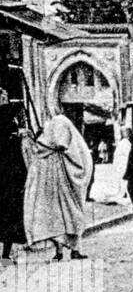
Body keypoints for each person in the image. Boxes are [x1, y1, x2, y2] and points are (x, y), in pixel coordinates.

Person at [21, 101, 93, 261]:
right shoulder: (59, 128)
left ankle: (65, 251)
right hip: (61, 186)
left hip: (61, 185)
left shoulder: (45, 148)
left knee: (62, 216)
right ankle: (68, 251)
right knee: (65, 216)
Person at [0, 91, 28, 262]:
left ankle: (5, 254)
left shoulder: (8, 118)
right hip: (6, 176)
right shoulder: (5, 116)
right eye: (3, 96)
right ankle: (5, 255)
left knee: (9, 215)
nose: (6, 98)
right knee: (9, 214)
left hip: (10, 175)